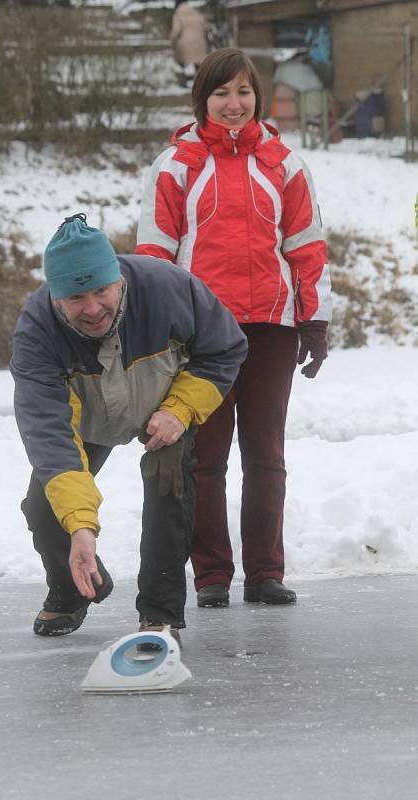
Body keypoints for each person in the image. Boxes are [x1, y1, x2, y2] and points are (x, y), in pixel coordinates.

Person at [136, 48, 332, 609]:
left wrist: (312, 321)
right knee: (206, 459)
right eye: (221, 93)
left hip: (271, 328)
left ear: (257, 98)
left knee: (266, 454)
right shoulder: (175, 165)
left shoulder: (284, 164)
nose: (233, 103)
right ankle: (212, 576)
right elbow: (154, 257)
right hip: (202, 336)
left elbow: (306, 249)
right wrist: (159, 333)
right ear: (203, 99)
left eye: (243, 92)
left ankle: (266, 572)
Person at [10, 213, 247, 643]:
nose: (93, 307)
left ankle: (160, 613)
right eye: (77, 297)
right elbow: (49, 435)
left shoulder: (168, 288)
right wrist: (81, 528)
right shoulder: (37, 332)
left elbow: (224, 347)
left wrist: (180, 409)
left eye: (102, 290)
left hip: (165, 403)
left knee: (168, 482)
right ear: (57, 298)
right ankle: (71, 589)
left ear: (118, 279)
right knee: (46, 508)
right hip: (88, 418)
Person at [170, 0, 209, 86]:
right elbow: (205, 28)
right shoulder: (197, 14)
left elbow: (176, 31)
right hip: (200, 44)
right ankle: (200, 81)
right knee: (198, 63)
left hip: (184, 45)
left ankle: (186, 81)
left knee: (183, 62)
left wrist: (172, 41)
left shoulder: (178, 15)